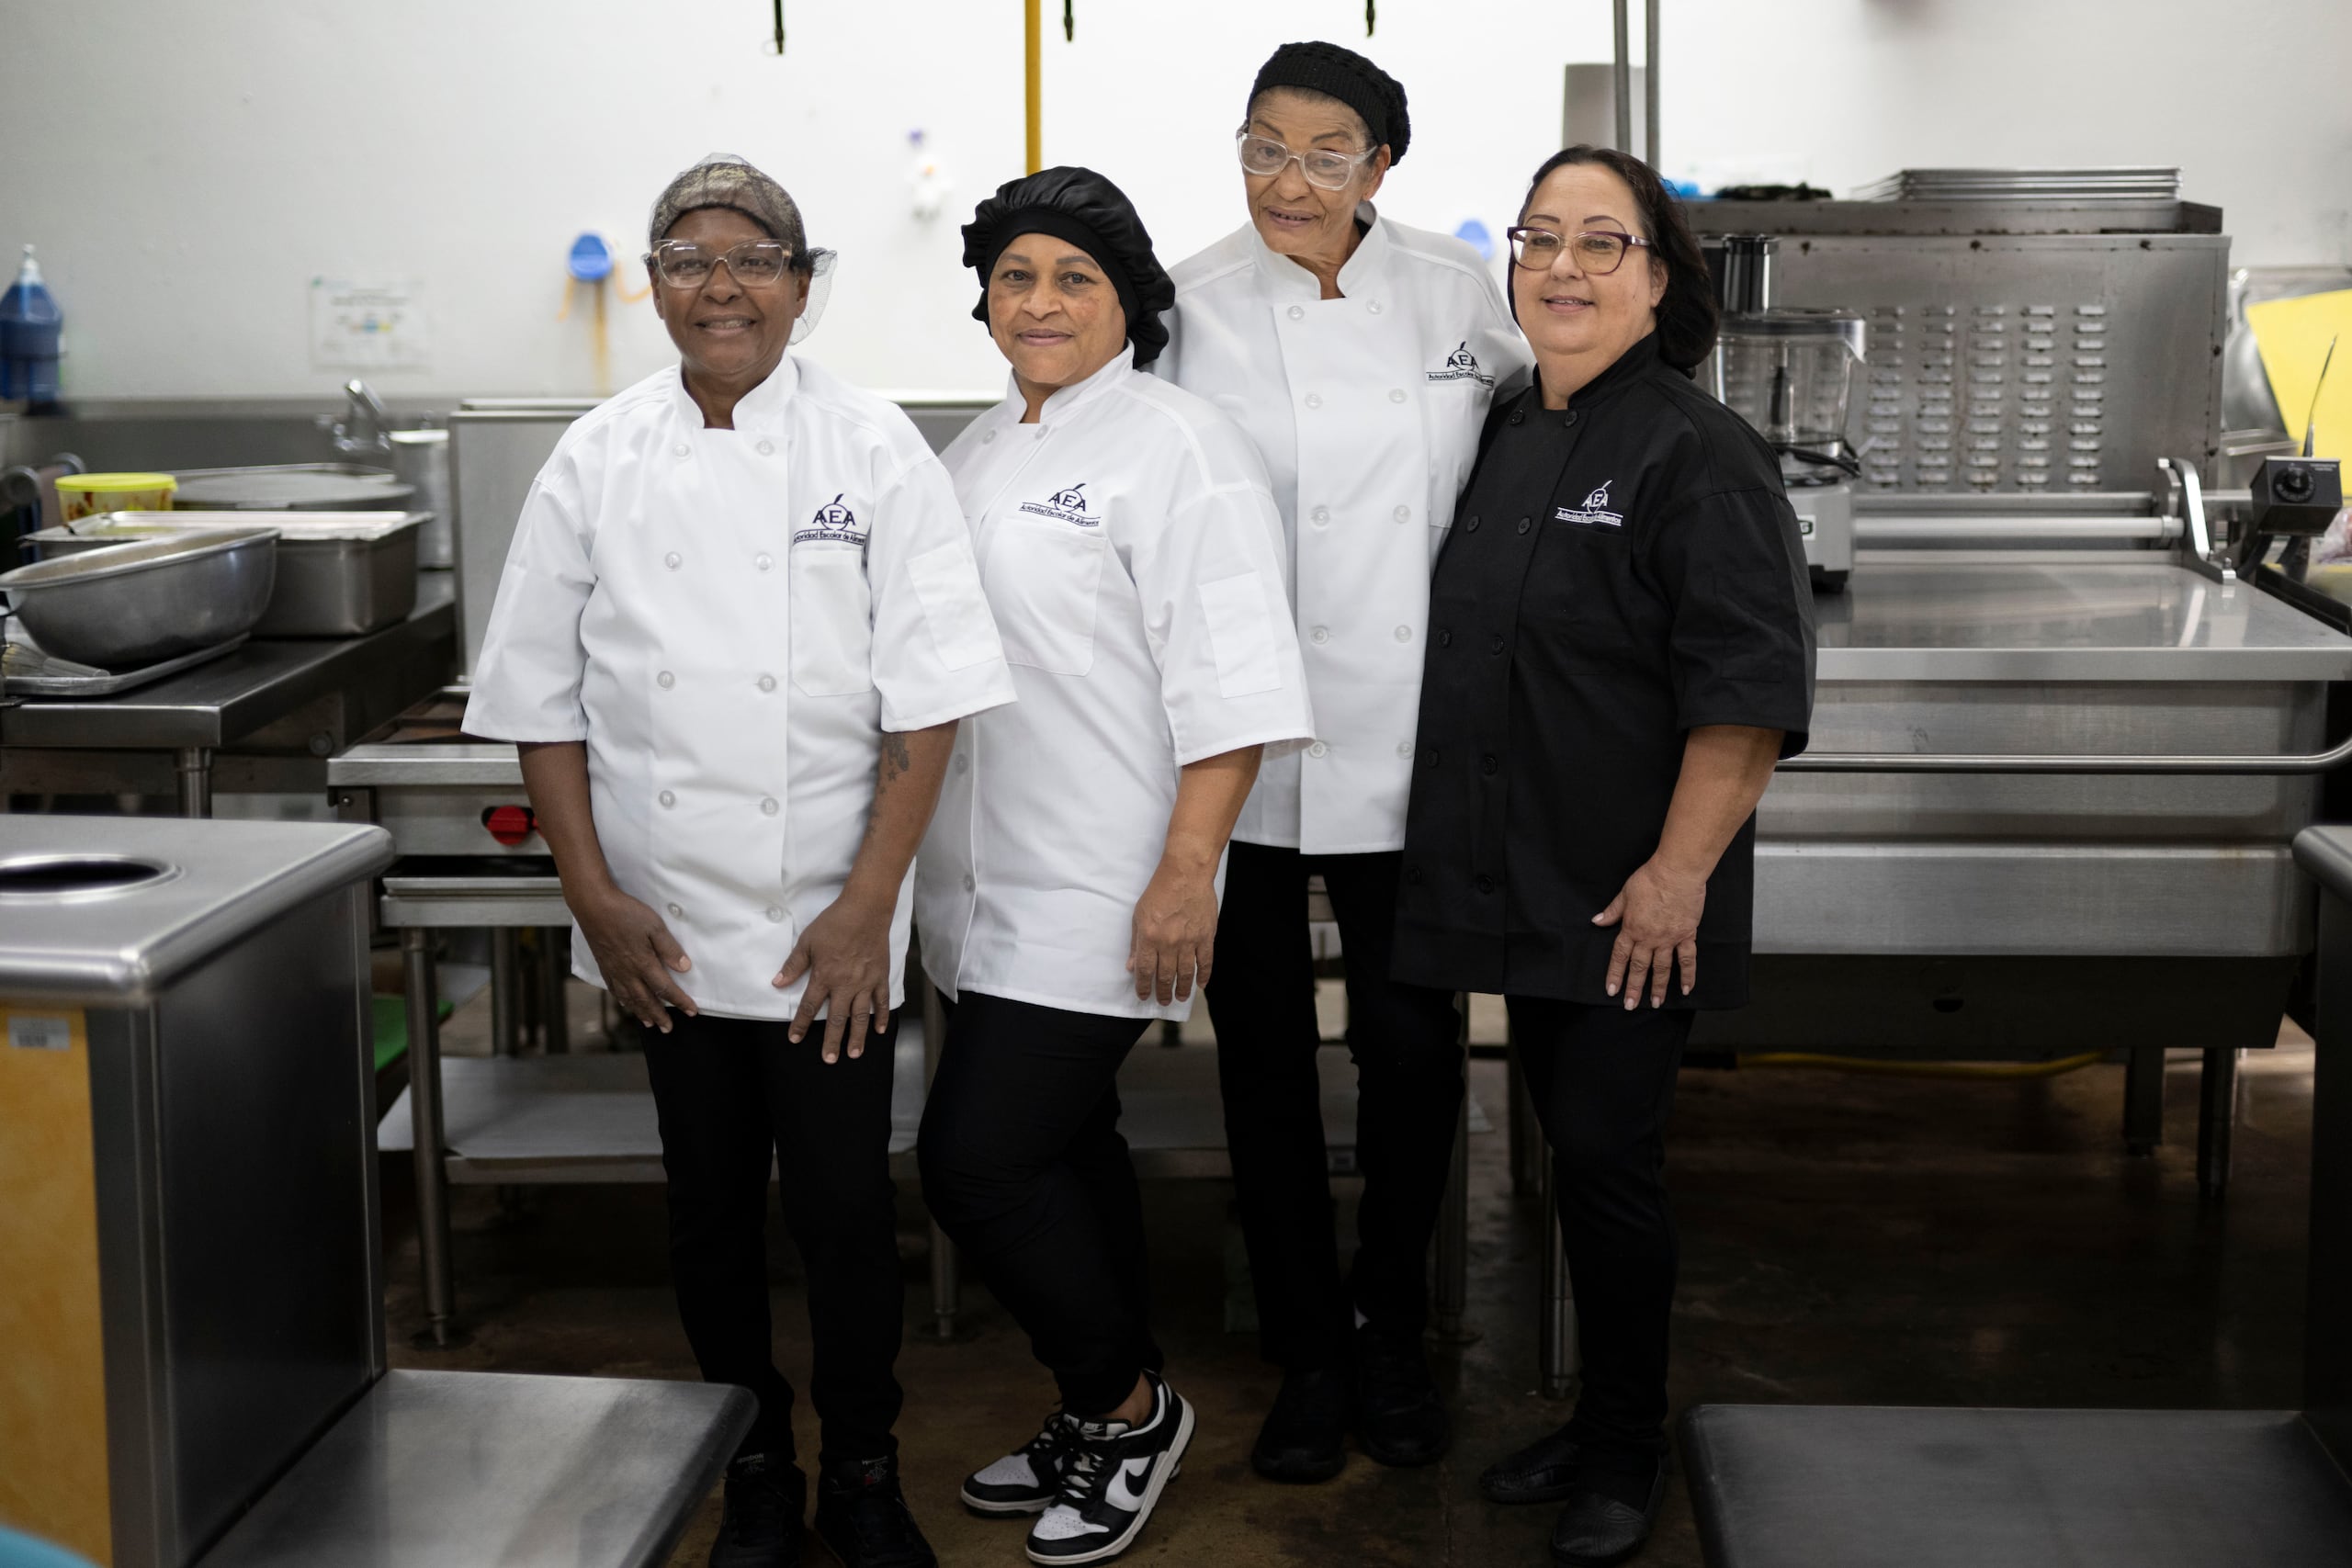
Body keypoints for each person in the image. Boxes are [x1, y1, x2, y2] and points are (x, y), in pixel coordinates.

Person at [464, 153, 1016, 1568]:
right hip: (665, 930)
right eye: (692, 259)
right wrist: (594, 898)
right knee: (706, 1209)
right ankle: (755, 1457)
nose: (723, 285)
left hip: (828, 922)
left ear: (803, 285)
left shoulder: (876, 447)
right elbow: (538, 703)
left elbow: (930, 696)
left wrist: (866, 909)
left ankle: (869, 1468)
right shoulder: (596, 457)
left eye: (754, 256)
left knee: (841, 1213)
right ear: (655, 288)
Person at [1392, 145, 1816, 1566]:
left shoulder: (1700, 454)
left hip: (1635, 894)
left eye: (1601, 243)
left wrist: (1678, 874)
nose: (1561, 268)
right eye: (1539, 239)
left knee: (1608, 1162)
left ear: (1659, 279)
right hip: (1517, 875)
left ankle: (1629, 1446)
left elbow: (1745, 694)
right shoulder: (1513, 424)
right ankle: (1591, 1422)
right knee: (1572, 1161)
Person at [914, 165, 1314, 1566]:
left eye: (1074, 278)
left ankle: (1129, 1409)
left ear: (1130, 301)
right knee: (1069, 1159)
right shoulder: (970, 450)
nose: (1039, 302)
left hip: (1102, 878)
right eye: (1016, 276)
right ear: (983, 298)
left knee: (976, 1164)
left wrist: (1186, 871)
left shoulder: (1178, 446)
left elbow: (1237, 686)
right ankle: (1093, 1408)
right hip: (974, 886)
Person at [1152, 39, 1532, 1483]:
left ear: (1383, 168)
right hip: (1235, 746)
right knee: (1257, 1056)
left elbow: (1529, 442)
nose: (1287, 182)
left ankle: (1392, 1331)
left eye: (1325, 154)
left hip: (1412, 745)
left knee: (1415, 1050)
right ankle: (1308, 1350)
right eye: (1263, 147)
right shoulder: (1185, 302)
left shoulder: (1455, 295)